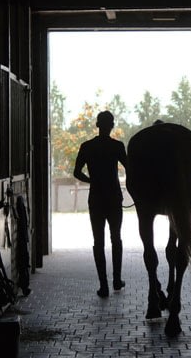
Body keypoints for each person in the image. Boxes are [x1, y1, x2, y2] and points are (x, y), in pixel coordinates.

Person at [73, 111, 127, 297]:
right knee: (116, 239)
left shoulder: (87, 147)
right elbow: (130, 168)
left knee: (98, 242)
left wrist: (92, 181)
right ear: (111, 125)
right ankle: (117, 280)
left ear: (97, 125)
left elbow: (76, 172)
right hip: (114, 197)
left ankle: (103, 285)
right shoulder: (117, 146)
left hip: (96, 197)